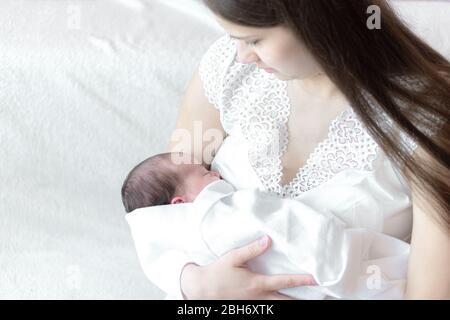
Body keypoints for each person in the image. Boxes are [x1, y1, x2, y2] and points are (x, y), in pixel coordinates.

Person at [165, 0, 449, 299]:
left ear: (315, 18)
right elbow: (160, 205)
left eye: (254, 40)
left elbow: (430, 294)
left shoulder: (428, 115)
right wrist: (192, 283)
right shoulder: (229, 69)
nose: (243, 56)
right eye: (235, 38)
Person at [122, 152, 409, 299]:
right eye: (205, 173)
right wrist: (196, 284)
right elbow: (283, 220)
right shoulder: (215, 214)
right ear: (180, 204)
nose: (216, 172)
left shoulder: (167, 244)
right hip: (323, 270)